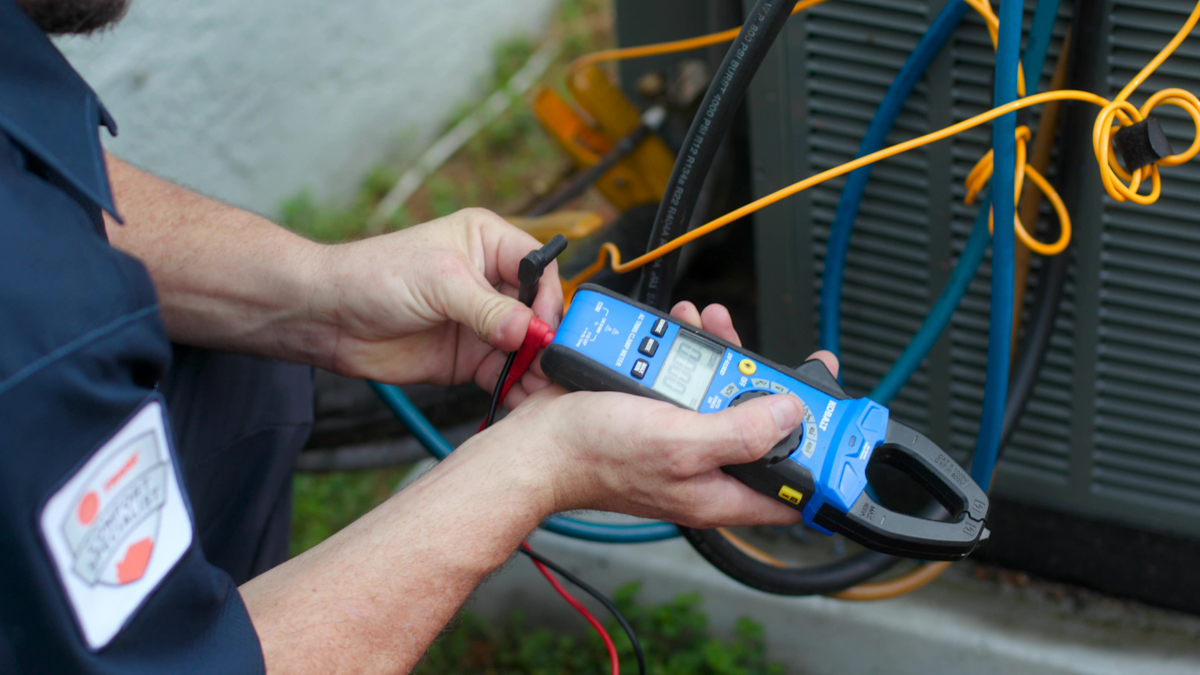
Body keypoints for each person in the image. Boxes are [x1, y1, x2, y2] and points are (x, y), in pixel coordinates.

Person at [0, 0, 837, 672]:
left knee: (242, 372)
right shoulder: (43, 324)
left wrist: (318, 293)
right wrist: (539, 465)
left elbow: (38, 169)